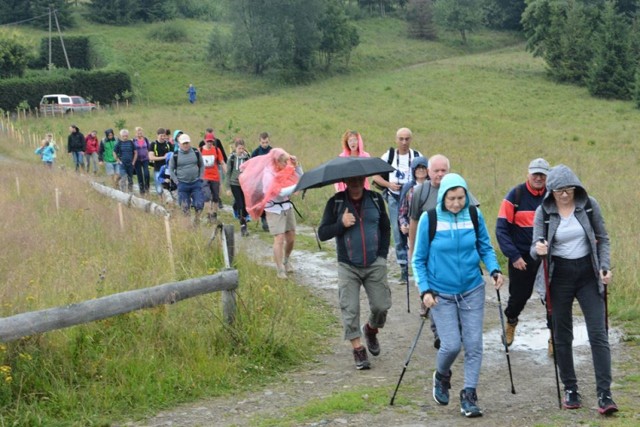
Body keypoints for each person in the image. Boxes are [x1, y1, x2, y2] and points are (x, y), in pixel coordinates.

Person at [412, 173, 503, 418]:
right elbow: (418, 259)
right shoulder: (429, 219)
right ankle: (442, 374)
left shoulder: (473, 214)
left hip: (472, 289)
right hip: (440, 293)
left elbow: (485, 245)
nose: (456, 203)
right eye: (451, 198)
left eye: (461, 198)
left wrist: (494, 269)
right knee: (451, 345)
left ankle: (469, 394)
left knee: (474, 344)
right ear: (443, 197)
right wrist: (425, 290)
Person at [531, 164, 617, 415]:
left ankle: (605, 393)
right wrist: (539, 249)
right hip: (559, 277)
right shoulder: (543, 211)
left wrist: (604, 267)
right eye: (559, 191)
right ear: (551, 192)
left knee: (598, 333)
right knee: (562, 334)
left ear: (576, 188)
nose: (565, 195)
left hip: (588, 275)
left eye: (569, 190)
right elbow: (533, 248)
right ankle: (570, 388)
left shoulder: (589, 205)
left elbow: (603, 237)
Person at [318, 175, 391, 370]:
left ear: (364, 180)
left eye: (359, 180)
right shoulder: (336, 202)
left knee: (381, 306)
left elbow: (385, 229)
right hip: (348, 265)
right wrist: (340, 224)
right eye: (352, 181)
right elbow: (322, 233)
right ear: (345, 182)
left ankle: (371, 330)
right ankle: (358, 350)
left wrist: (382, 256)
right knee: (350, 308)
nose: (356, 184)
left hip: (375, 263)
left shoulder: (376, 200)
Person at [495, 158, 550, 348]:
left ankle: (555, 336)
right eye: (535, 173)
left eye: (542, 174)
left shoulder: (553, 197)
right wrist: (514, 256)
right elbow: (501, 229)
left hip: (547, 257)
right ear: (528, 173)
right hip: (522, 257)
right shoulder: (515, 195)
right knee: (519, 297)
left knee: (552, 298)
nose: (538, 177)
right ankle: (511, 321)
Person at [239, 148, 302, 278]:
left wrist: (297, 166)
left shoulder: (285, 168)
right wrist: (298, 186)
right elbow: (280, 193)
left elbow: (300, 178)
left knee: (291, 237)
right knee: (279, 238)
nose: (286, 165)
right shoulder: (268, 175)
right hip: (273, 209)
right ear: (276, 162)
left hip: (286, 206)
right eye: (284, 162)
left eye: (287, 162)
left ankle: (286, 260)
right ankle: (280, 269)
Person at [372, 127, 423, 283]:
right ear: (396, 139)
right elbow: (375, 176)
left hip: (415, 197)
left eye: (407, 139)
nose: (404, 142)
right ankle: (403, 269)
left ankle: (419, 265)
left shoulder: (417, 156)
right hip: (394, 197)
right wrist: (389, 184)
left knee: (417, 229)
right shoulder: (389, 156)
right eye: (401, 139)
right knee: (398, 230)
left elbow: (425, 173)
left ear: (411, 140)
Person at [169, 133, 205, 225]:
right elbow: (171, 169)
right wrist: (176, 181)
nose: (185, 145)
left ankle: (197, 220)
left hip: (196, 183)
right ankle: (187, 226)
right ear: (179, 144)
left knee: (199, 204)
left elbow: (201, 165)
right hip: (182, 185)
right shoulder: (175, 155)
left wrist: (200, 177)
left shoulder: (196, 152)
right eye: (183, 143)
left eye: (187, 143)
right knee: (185, 207)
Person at [226, 138, 251, 236]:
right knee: (240, 204)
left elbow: (250, 171)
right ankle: (243, 227)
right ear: (235, 148)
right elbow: (228, 173)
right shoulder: (232, 158)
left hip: (244, 184)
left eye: (242, 148)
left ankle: (237, 210)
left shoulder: (247, 157)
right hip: (234, 184)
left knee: (244, 204)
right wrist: (228, 188)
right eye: (239, 148)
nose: (241, 150)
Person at [200, 132, 227, 223]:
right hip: (204, 177)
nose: (210, 143)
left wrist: (226, 173)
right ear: (204, 141)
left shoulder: (216, 150)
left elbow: (222, 162)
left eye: (211, 141)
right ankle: (208, 214)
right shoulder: (200, 151)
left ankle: (214, 214)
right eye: (208, 141)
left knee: (216, 197)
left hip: (215, 177)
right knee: (207, 196)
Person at [251, 132, 273, 231]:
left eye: (266, 142)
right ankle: (263, 218)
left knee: (269, 199)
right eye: (263, 142)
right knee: (261, 200)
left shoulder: (272, 151)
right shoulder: (255, 153)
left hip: (270, 180)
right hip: (260, 180)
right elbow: (251, 167)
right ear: (259, 141)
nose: (265, 144)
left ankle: (270, 219)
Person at [149, 128, 174, 198]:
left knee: (169, 187)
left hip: (168, 170)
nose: (163, 137)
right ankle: (161, 201)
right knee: (159, 188)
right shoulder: (153, 144)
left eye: (164, 136)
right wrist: (164, 157)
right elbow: (151, 157)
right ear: (157, 135)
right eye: (161, 136)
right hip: (158, 169)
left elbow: (173, 155)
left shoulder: (168, 144)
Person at [133, 127, 151, 195]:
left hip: (145, 159)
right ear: (135, 133)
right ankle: (142, 191)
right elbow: (132, 150)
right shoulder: (133, 141)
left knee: (146, 174)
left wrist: (150, 156)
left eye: (140, 132)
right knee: (139, 175)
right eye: (138, 132)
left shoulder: (146, 139)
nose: (139, 134)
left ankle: (147, 188)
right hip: (137, 160)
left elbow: (149, 148)